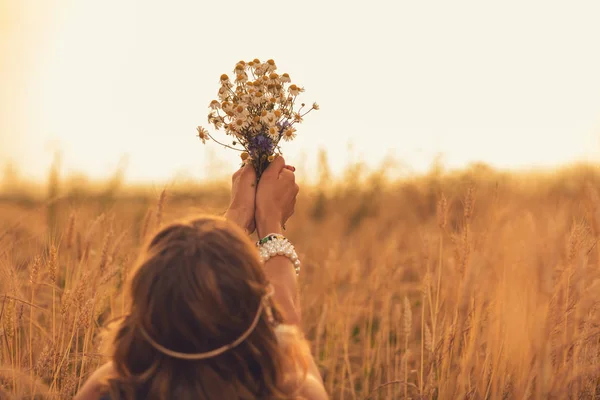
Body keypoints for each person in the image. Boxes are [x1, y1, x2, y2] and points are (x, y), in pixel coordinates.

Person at [75, 156, 328, 400]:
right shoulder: (294, 390)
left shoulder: (107, 388)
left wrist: (237, 216)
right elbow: (287, 329)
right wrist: (269, 221)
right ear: (254, 315)